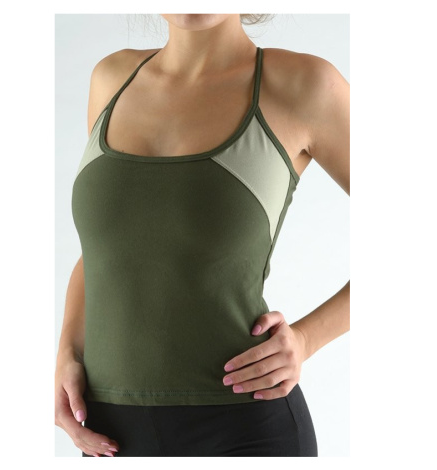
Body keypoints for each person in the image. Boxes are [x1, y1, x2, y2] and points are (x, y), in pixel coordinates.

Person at [55, 13, 350, 457]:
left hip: (246, 428)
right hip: (108, 434)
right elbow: (104, 252)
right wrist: (66, 353)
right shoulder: (111, 79)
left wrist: (306, 339)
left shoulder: (306, 86)